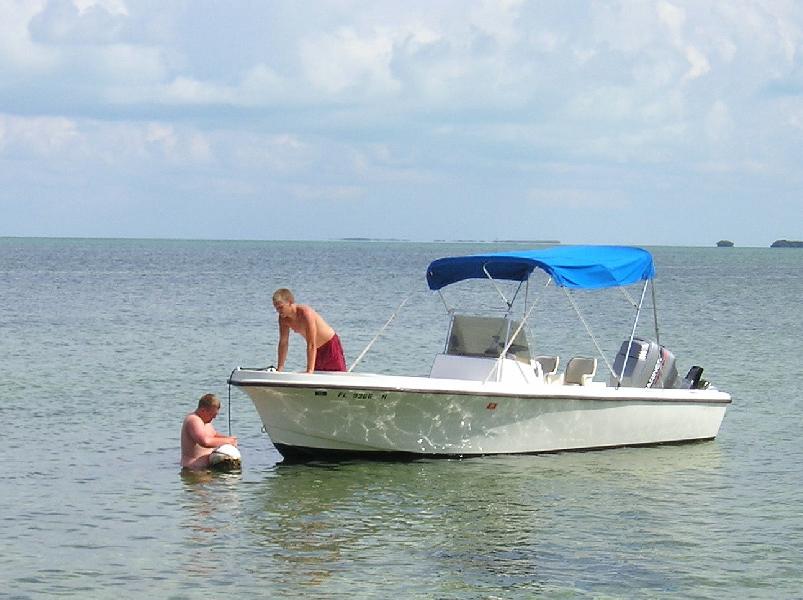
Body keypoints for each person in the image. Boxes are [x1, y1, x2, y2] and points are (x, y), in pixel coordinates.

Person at [273, 288, 346, 373]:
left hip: (330, 345)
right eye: (277, 308)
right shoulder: (283, 319)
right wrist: (280, 369)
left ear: (290, 302)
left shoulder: (306, 313)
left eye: (281, 307)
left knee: (337, 376)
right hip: (316, 351)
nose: (279, 311)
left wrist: (309, 370)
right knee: (318, 380)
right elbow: (283, 342)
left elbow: (311, 343)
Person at [180, 394, 238, 470]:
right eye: (212, 414)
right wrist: (228, 441)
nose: (214, 417)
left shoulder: (205, 421)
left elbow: (214, 435)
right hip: (194, 470)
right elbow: (205, 441)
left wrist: (229, 439)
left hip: (207, 469)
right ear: (203, 410)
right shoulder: (194, 420)